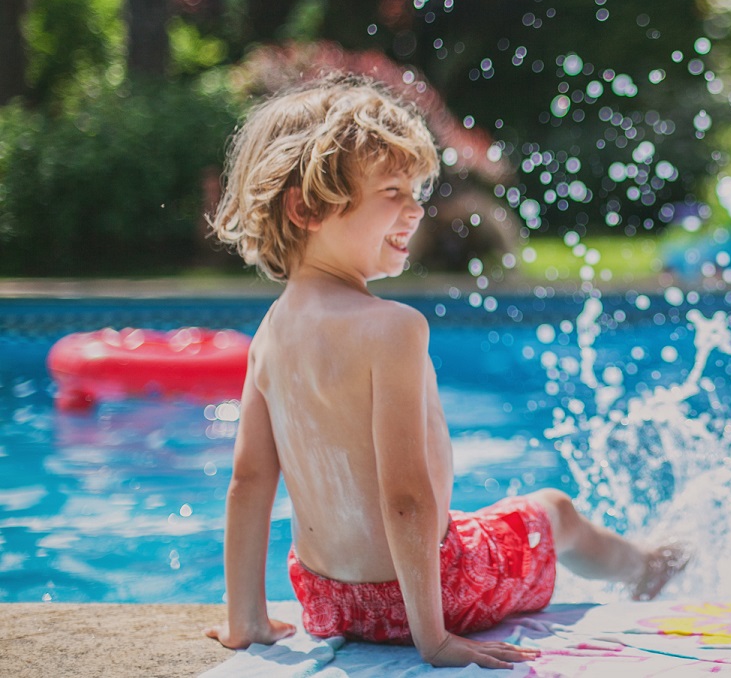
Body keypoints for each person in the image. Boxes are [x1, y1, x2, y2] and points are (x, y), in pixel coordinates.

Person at [204, 77, 682, 668]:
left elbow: (248, 481)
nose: (415, 208)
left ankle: (645, 565)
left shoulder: (271, 333)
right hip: (436, 598)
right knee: (554, 510)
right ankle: (648, 569)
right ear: (307, 207)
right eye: (391, 189)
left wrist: (244, 619)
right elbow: (405, 497)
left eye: (416, 190)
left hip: (326, 601)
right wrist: (433, 639)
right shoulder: (392, 327)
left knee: (476, 522)